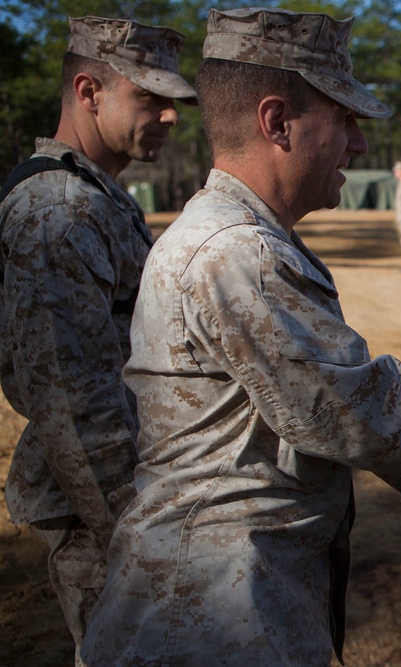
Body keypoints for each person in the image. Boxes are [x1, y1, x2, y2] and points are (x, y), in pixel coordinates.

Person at [79, 8, 401, 666]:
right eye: (344, 119)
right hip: (209, 621)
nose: (360, 145)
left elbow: (295, 424)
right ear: (277, 122)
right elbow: (347, 410)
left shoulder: (244, 239)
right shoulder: (238, 252)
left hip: (228, 602)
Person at [0, 16, 195, 663]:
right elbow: (72, 401)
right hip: (100, 509)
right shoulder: (57, 207)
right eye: (151, 98)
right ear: (89, 92)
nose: (170, 117)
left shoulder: (94, 194)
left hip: (125, 491)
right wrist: (139, 540)